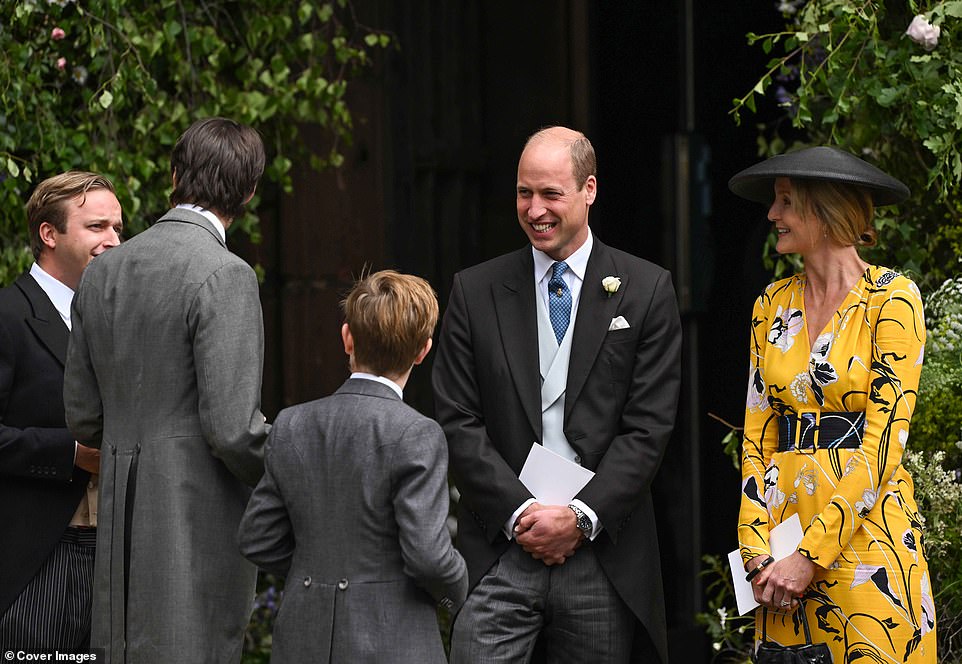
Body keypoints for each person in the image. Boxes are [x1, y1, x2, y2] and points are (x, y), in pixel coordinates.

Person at [432, 126, 682, 663]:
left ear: (589, 190)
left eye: (551, 194)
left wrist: (581, 517)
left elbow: (649, 428)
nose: (534, 209)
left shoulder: (646, 289)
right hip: (501, 548)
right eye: (524, 193)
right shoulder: (474, 291)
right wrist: (521, 512)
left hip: (600, 553)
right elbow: (456, 418)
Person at [63, 117, 270, 663]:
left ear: (175, 174)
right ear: (249, 191)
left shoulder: (103, 272)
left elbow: (83, 418)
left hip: (117, 521)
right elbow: (233, 430)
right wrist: (289, 464)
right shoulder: (226, 274)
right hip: (192, 519)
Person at [729, 146, 937, 662]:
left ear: (826, 210)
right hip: (781, 547)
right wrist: (756, 551)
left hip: (867, 545)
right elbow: (757, 435)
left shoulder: (893, 300)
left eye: (785, 201)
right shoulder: (769, 305)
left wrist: (812, 556)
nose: (772, 215)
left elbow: (882, 445)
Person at [238, 269, 468, 663]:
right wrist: (460, 591)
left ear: (347, 338)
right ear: (423, 350)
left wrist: (318, 574)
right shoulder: (417, 433)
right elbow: (428, 556)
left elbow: (258, 537)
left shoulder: (292, 424)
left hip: (302, 637)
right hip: (391, 639)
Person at [0, 171, 122, 651]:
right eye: (97, 227)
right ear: (48, 234)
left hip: (112, 557)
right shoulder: (7, 315)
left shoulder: (118, 321)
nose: (113, 240)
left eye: (117, 227)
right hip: (31, 563)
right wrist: (70, 452)